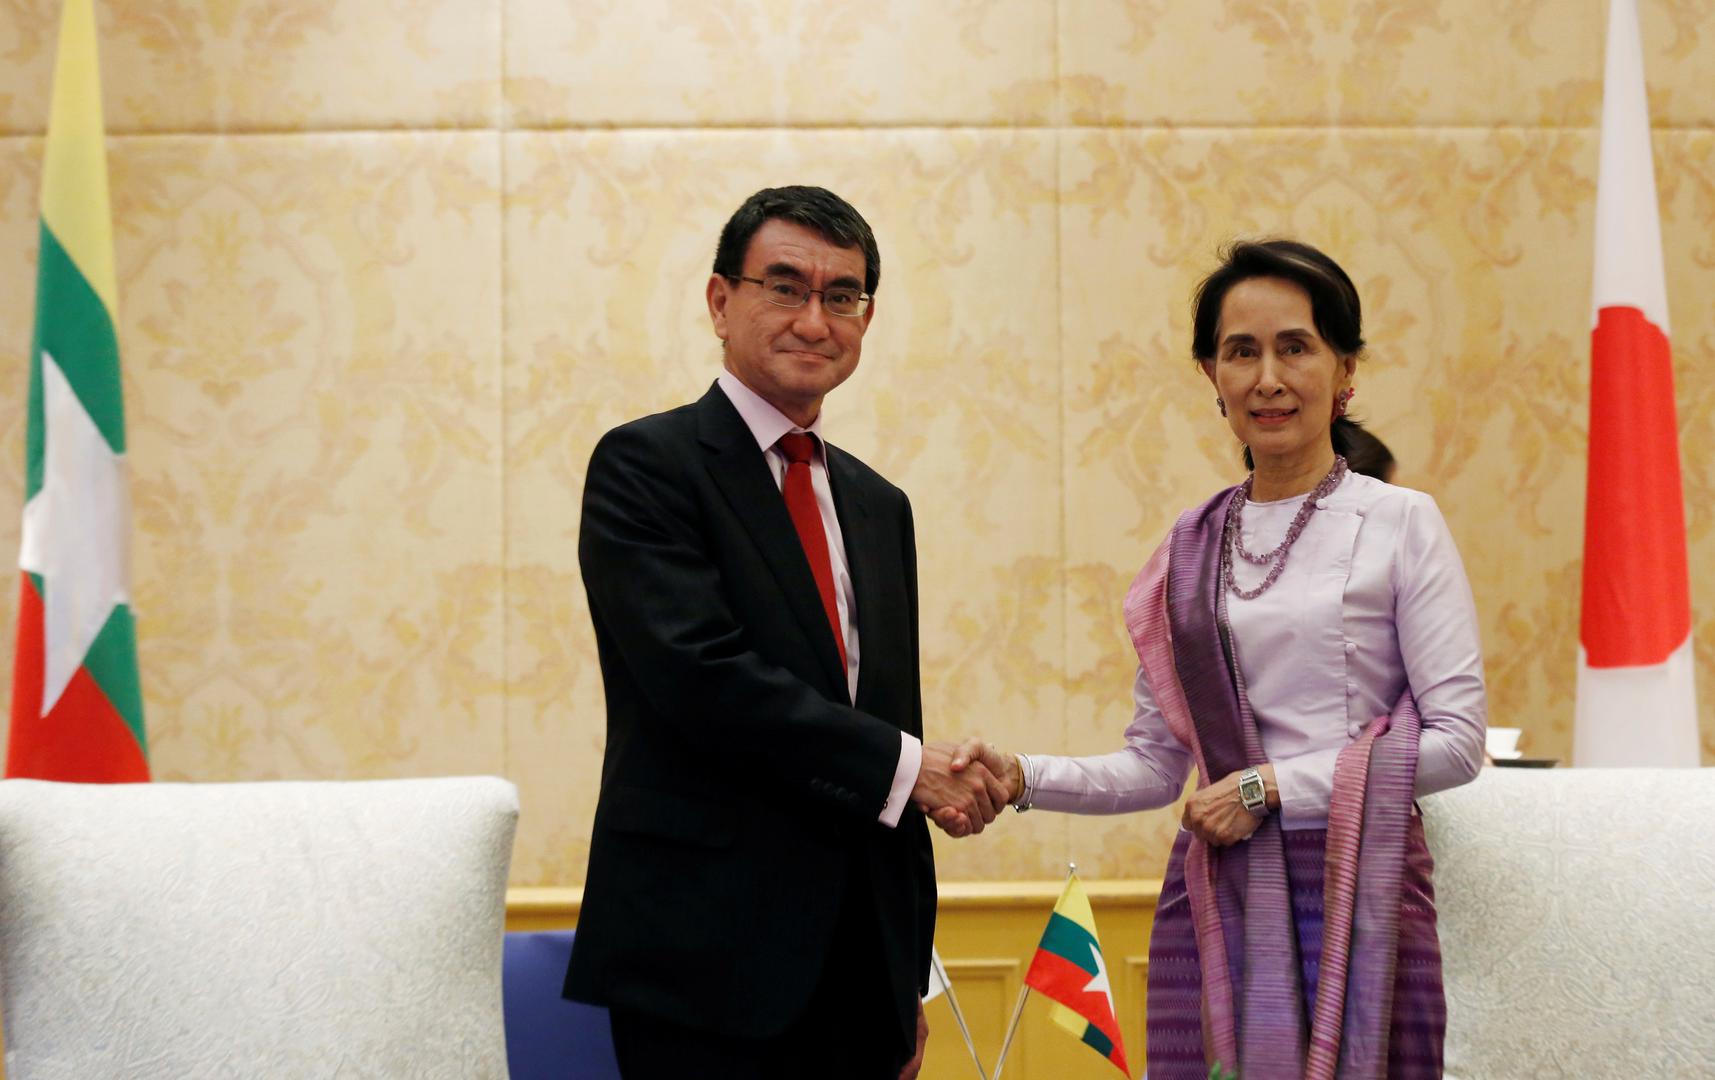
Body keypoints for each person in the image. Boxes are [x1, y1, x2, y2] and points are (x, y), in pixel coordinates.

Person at [943, 240, 1486, 1078]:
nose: (1268, 377)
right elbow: (1157, 767)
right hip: (1219, 901)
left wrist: (1268, 787)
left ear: (1345, 368)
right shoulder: (1187, 550)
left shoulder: (1399, 522)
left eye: (1294, 347)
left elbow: (1455, 743)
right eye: (1241, 352)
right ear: (1211, 376)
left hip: (1362, 895)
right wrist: (1020, 777)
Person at [564, 186, 1008, 1080]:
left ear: (865, 319)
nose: (815, 318)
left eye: (841, 296)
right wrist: (909, 766)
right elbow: (703, 680)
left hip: (859, 975)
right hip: (704, 969)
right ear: (721, 302)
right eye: (784, 286)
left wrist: (904, 979)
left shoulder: (880, 507)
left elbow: (877, 716)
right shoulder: (646, 466)